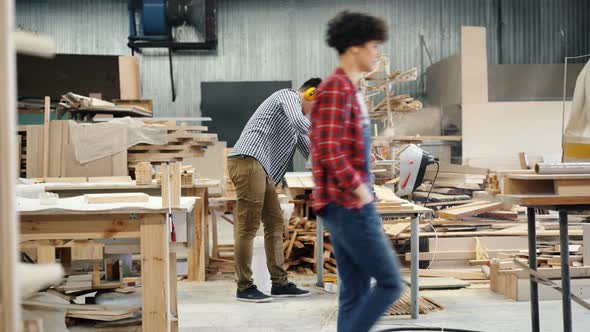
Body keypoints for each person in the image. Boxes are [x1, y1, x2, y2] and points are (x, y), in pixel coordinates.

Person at [310, 11, 402, 331]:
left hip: (346, 204)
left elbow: (341, 144)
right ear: (354, 48)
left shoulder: (350, 90)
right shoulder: (335, 88)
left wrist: (368, 154)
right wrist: (359, 187)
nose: (377, 52)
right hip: (349, 204)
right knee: (391, 283)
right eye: (374, 45)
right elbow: (325, 148)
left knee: (355, 292)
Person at [228, 78, 321, 303]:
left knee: (275, 223)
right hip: (248, 161)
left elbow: (312, 152)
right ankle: (244, 286)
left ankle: (279, 283)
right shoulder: (287, 96)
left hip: (262, 169)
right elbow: (302, 124)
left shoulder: (295, 123)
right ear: (310, 93)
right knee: (248, 227)